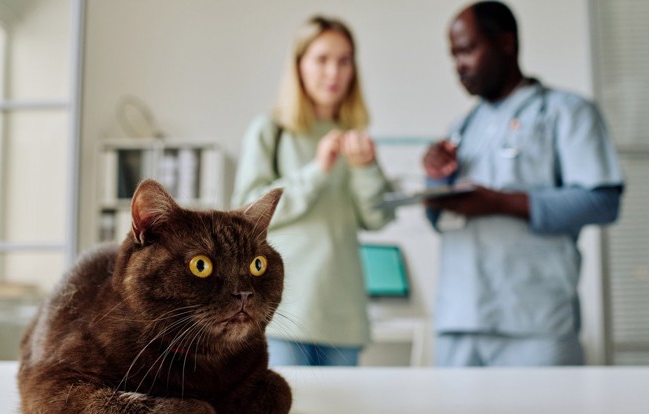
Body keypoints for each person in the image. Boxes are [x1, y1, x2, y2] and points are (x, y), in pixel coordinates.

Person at [423, 1, 624, 366]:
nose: (459, 66)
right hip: (460, 319)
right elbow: (441, 222)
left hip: (535, 324)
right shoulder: (460, 127)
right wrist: (434, 181)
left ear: (505, 43)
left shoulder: (567, 111)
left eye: (467, 50)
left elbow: (602, 201)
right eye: (453, 55)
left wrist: (498, 203)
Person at [232, 15, 394, 366]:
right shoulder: (271, 131)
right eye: (322, 59)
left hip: (344, 319)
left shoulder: (355, 137)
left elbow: (377, 218)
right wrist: (317, 171)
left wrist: (365, 169)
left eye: (344, 60)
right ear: (299, 65)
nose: (333, 72)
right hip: (282, 315)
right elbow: (245, 213)